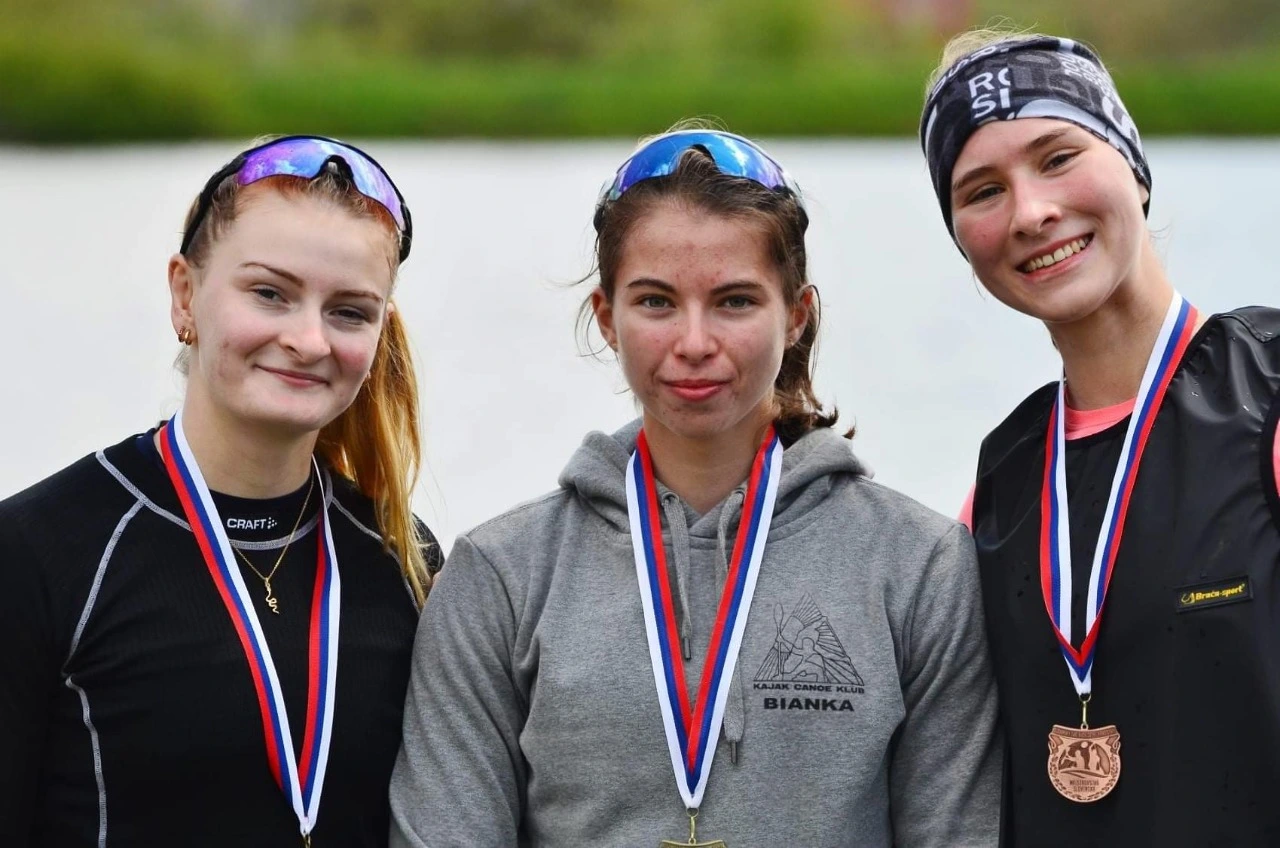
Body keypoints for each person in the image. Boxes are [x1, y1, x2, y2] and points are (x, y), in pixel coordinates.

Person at [389, 127, 1000, 846]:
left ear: (796, 316)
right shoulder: (501, 577)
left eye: (736, 301)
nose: (694, 342)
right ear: (607, 319)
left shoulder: (920, 566)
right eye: (655, 302)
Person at [0, 135, 442, 846]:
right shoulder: (37, 552)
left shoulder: (404, 556)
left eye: (349, 311)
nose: (308, 340)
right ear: (185, 293)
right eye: (270, 294)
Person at [920, 30, 1280, 845]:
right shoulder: (1000, 484)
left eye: (1057, 156)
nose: (1031, 212)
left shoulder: (1268, 401)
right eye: (981, 191)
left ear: (1134, 166)